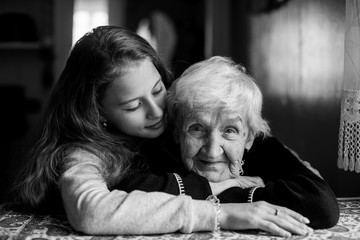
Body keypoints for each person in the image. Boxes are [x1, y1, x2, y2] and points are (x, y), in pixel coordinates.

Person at [13, 26, 313, 237]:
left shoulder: (175, 113)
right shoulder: (83, 153)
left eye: (157, 90)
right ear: (98, 110)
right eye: (133, 106)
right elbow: (91, 212)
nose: (157, 111)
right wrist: (222, 210)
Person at [118, 56, 340, 230]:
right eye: (197, 129)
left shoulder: (261, 145)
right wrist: (228, 190)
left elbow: (321, 205)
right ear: (177, 132)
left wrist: (235, 197)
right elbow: (126, 189)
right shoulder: (159, 147)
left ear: (249, 136)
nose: (213, 150)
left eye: (230, 130)